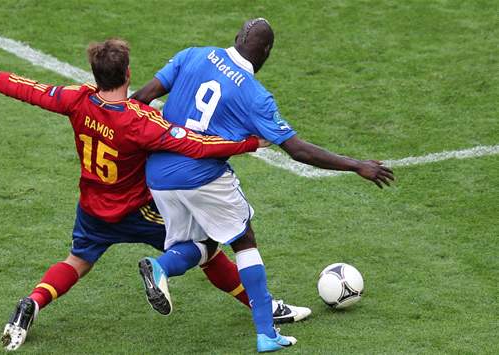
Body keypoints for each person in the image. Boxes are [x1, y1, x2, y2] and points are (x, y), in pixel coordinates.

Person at [0, 39, 275, 351]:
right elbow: (195, 144)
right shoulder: (140, 121)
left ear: (95, 74)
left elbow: (24, 88)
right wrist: (249, 143)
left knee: (78, 261)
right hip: (139, 211)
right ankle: (267, 308)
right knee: (208, 249)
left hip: (93, 209)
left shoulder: (77, 99)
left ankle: (34, 302)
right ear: (128, 73)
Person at [131, 18, 395, 352]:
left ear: (237, 37)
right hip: (202, 176)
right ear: (267, 52)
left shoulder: (193, 55)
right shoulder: (255, 96)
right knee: (244, 240)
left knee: (204, 245)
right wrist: (357, 165)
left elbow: (141, 99)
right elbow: (297, 150)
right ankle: (266, 333)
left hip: (158, 175)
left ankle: (160, 266)